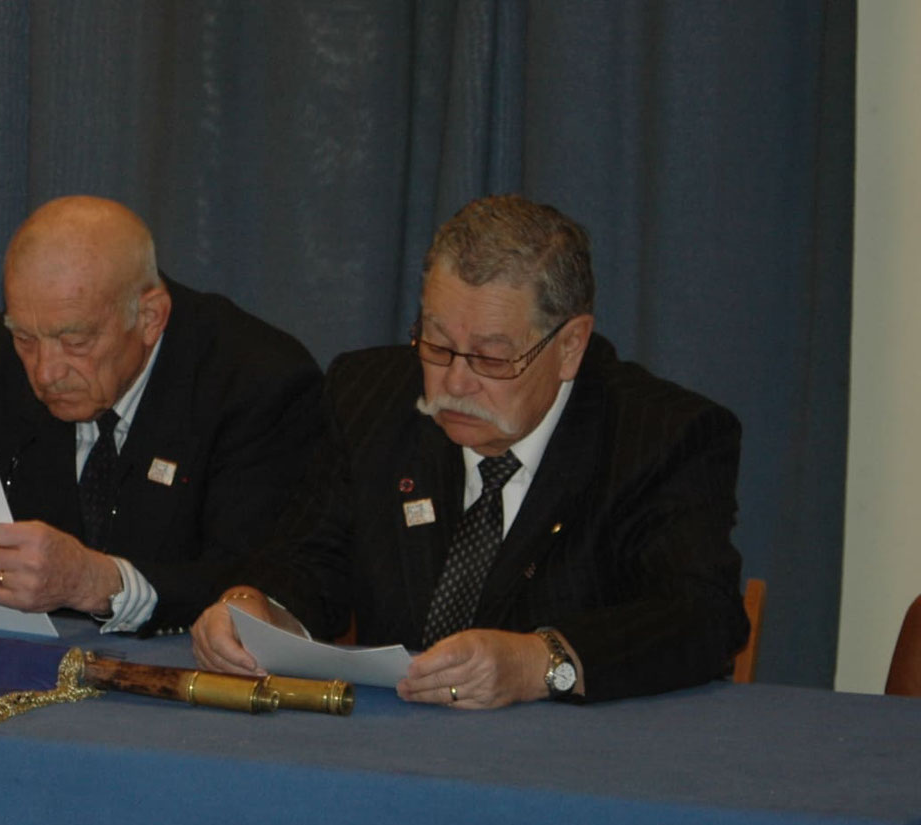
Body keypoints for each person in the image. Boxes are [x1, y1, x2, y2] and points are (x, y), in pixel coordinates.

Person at [189, 194, 748, 707]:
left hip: (578, 768)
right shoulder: (370, 396)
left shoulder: (661, 434)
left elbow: (701, 616)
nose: (454, 383)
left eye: (491, 357)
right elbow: (309, 558)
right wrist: (253, 607)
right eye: (436, 344)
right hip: (391, 750)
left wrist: (540, 661)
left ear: (570, 346)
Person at [0, 195, 322, 632]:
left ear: (149, 317)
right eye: (25, 338)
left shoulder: (255, 379)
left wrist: (99, 583)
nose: (46, 372)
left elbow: (260, 582)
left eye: (76, 341)